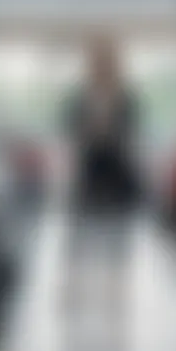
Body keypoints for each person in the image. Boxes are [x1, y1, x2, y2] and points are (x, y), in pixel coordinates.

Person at [63, 37, 143, 300]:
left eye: (107, 62)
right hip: (89, 172)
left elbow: (133, 130)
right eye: (98, 62)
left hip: (118, 172)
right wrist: (88, 133)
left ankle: (116, 291)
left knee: (118, 237)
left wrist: (112, 134)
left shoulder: (127, 98)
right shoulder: (79, 97)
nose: (102, 67)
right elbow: (68, 128)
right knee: (82, 236)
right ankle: (79, 290)